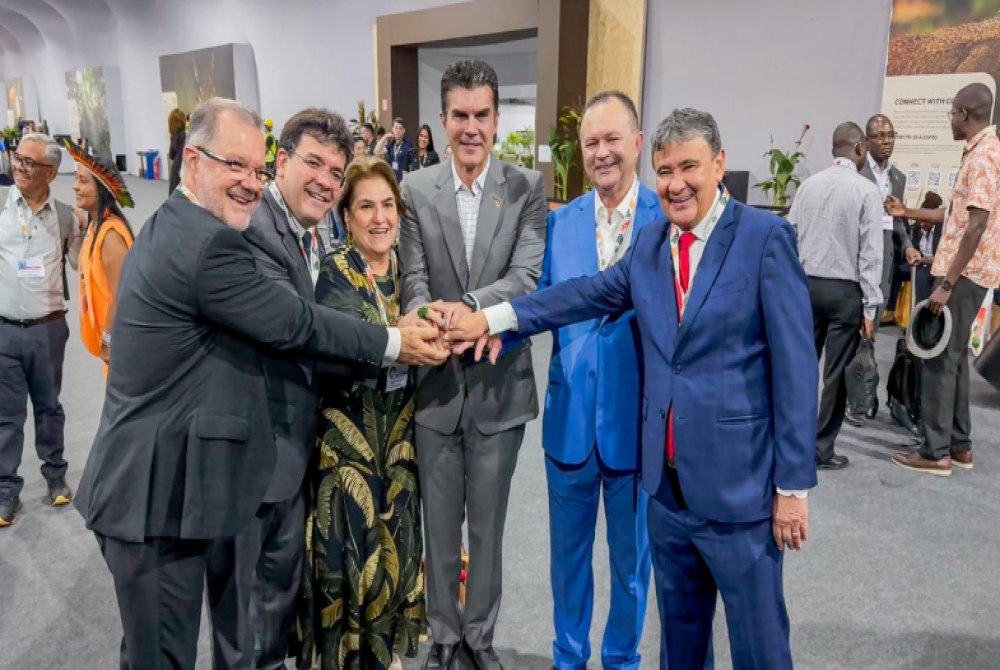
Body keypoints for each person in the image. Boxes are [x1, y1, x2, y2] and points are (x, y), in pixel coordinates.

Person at [72, 97, 448, 670]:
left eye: (255, 168)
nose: (250, 181)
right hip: (153, 493)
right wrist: (394, 341)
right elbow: (295, 324)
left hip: (177, 479)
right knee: (175, 652)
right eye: (235, 165)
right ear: (192, 160)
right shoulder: (214, 242)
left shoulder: (191, 224)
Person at [448, 108, 817, 670]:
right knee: (680, 644)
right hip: (667, 493)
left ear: (719, 164)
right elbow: (578, 295)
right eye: (665, 171)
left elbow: (796, 369)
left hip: (738, 491)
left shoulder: (764, 238)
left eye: (689, 167)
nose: (675, 184)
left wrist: (792, 486)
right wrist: (493, 318)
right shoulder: (650, 246)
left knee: (759, 648)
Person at [398, 59, 547, 670]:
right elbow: (410, 278)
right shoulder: (415, 189)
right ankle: (443, 635)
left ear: (496, 118)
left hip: (498, 386)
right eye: (460, 115)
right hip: (435, 383)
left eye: (482, 114)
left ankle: (479, 639)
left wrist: (469, 310)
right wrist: (431, 317)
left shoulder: (527, 187)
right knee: (438, 525)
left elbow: (526, 276)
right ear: (442, 119)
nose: (471, 127)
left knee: (487, 527)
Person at [202, 107, 355, 669]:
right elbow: (297, 328)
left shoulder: (312, 233)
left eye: (336, 173)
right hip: (249, 460)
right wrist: (392, 346)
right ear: (282, 161)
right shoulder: (253, 230)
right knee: (243, 616)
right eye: (314, 163)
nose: (325, 181)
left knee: (273, 602)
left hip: (287, 450)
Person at [536, 91, 655, 670]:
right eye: (591, 142)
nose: (601, 152)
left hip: (637, 428)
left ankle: (621, 660)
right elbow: (539, 305)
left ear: (638, 143)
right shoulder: (560, 223)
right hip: (570, 423)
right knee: (568, 562)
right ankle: (568, 657)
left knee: (632, 566)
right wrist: (485, 328)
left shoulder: (666, 217)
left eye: (612, 139)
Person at [299, 156, 432, 670]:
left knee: (397, 551)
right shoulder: (336, 272)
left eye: (388, 205)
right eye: (366, 207)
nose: (380, 218)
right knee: (357, 560)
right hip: (349, 447)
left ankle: (387, 651)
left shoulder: (408, 271)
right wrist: (401, 335)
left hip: (399, 444)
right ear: (346, 217)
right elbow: (342, 348)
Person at [888, 83, 1000, 475]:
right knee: (954, 360)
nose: (950, 120)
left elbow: (977, 226)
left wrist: (948, 282)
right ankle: (959, 445)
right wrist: (907, 212)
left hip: (963, 276)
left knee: (937, 358)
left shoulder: (984, 155)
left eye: (952, 113)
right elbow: (955, 218)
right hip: (964, 271)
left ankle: (935, 452)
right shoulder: (979, 152)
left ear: (965, 114)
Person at [787, 122, 884, 470]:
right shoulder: (867, 191)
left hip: (805, 288)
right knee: (835, 376)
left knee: (800, 369)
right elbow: (870, 254)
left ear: (833, 149)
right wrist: (871, 308)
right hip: (845, 293)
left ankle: (790, 442)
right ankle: (821, 450)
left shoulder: (808, 186)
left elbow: (789, 235)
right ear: (859, 148)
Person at [0, 132, 82, 527]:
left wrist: (101, 222)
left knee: (49, 407)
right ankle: (5, 491)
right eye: (18, 158)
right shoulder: (1, 205)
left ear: (50, 172)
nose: (19, 166)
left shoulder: (65, 217)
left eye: (29, 162)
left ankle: (55, 477)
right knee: (7, 415)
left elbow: (85, 265)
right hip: (4, 330)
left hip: (48, 329)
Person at [844, 114, 922, 424]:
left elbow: (896, 221)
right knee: (854, 333)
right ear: (866, 141)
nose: (886, 141)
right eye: (879, 136)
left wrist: (908, 246)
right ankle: (854, 400)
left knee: (871, 334)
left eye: (891, 135)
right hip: (855, 266)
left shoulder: (897, 177)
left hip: (884, 270)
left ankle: (864, 392)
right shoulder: (856, 174)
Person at [67, 141, 135, 376]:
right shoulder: (96, 225)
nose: (75, 186)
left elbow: (121, 295)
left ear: (102, 188)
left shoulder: (111, 237)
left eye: (83, 181)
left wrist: (108, 340)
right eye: (76, 178)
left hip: (121, 346)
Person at [380, 117, 413, 183]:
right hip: (392, 181)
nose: (397, 131)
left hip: (403, 182)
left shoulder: (408, 145)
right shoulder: (392, 143)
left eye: (400, 128)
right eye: (395, 128)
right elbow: (377, 152)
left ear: (404, 130)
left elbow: (411, 166)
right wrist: (385, 137)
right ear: (392, 129)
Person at [168, 107, 187, 194]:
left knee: (174, 193)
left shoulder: (173, 137)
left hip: (176, 168)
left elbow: (171, 156)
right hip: (183, 168)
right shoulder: (185, 136)